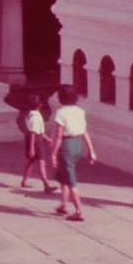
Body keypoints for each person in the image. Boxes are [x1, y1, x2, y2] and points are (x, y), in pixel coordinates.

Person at [50, 84, 96, 222]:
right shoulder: (80, 111)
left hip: (66, 145)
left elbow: (58, 136)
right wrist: (91, 150)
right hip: (78, 144)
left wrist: (53, 154)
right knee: (64, 175)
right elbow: (84, 131)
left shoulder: (61, 112)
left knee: (71, 180)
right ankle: (64, 205)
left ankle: (78, 211)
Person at [18, 92, 54, 192]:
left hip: (31, 140)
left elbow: (38, 131)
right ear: (39, 105)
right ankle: (46, 185)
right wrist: (32, 149)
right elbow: (34, 133)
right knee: (42, 163)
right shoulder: (36, 117)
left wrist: (49, 139)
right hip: (36, 143)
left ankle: (24, 181)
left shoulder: (29, 115)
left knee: (31, 162)